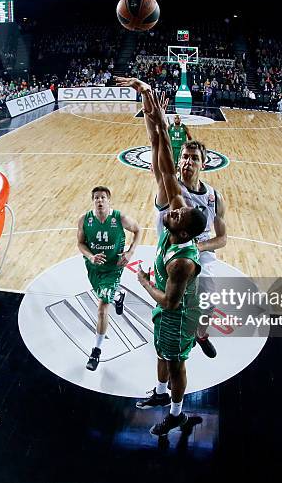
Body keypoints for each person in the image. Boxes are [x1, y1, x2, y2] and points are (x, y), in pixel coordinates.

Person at [117, 78, 207, 436]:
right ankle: (159, 393)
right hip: (170, 292)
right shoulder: (178, 205)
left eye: (176, 215)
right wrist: (150, 99)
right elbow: (161, 148)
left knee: (176, 362)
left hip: (178, 309)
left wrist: (142, 282)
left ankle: (177, 412)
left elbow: (170, 303)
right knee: (162, 353)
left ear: (183, 231)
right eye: (174, 209)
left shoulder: (182, 259)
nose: (171, 211)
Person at [77, 187, 141, 371]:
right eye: (96, 198)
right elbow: (80, 243)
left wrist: (130, 252)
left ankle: (96, 350)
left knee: (102, 307)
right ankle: (118, 296)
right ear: (92, 201)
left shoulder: (120, 218)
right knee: (105, 296)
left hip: (113, 269)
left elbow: (138, 230)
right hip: (94, 268)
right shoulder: (84, 220)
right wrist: (90, 257)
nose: (99, 201)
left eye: (103, 198)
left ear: (109, 200)